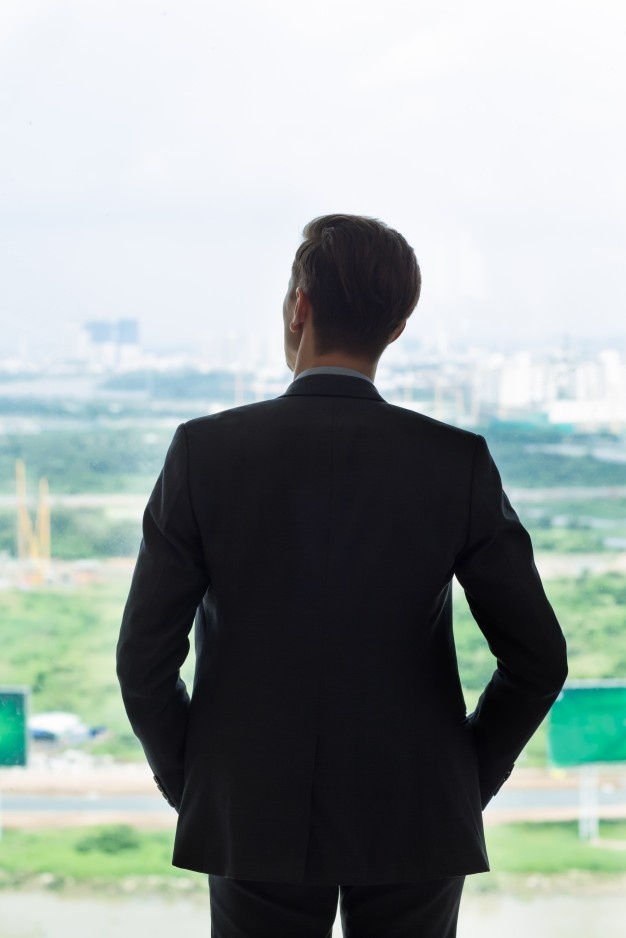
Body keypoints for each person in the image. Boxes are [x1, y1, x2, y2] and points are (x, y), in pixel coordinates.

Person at [117, 214, 567, 937]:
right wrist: (458, 781)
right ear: (396, 327)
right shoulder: (457, 463)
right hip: (417, 808)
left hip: (250, 808)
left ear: (300, 305)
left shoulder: (204, 454)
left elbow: (143, 661)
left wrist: (202, 784)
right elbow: (539, 660)